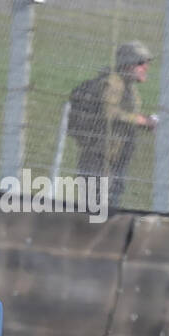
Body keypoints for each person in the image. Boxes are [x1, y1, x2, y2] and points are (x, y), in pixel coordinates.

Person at [69, 40, 157, 209]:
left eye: (146, 63)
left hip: (113, 158)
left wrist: (144, 122)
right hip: (99, 159)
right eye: (140, 63)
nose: (145, 67)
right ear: (127, 64)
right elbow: (109, 112)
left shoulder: (127, 86)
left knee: (105, 207)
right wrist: (140, 120)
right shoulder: (113, 83)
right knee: (96, 210)